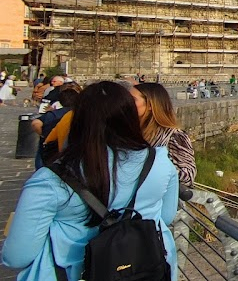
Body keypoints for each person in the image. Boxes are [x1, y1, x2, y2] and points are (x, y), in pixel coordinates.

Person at [1, 81, 178, 280]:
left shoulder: (50, 180)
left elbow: (16, 257)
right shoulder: (160, 162)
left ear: (78, 119)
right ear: (130, 119)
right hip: (143, 269)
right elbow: (166, 216)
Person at [134, 83, 196, 187]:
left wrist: (150, 167)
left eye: (133, 100)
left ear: (150, 105)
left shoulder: (174, 136)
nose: (126, 103)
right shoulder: (132, 131)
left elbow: (188, 176)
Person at [31, 85, 81, 169]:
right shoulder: (78, 114)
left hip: (50, 145)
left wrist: (42, 134)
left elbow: (36, 123)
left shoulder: (54, 114)